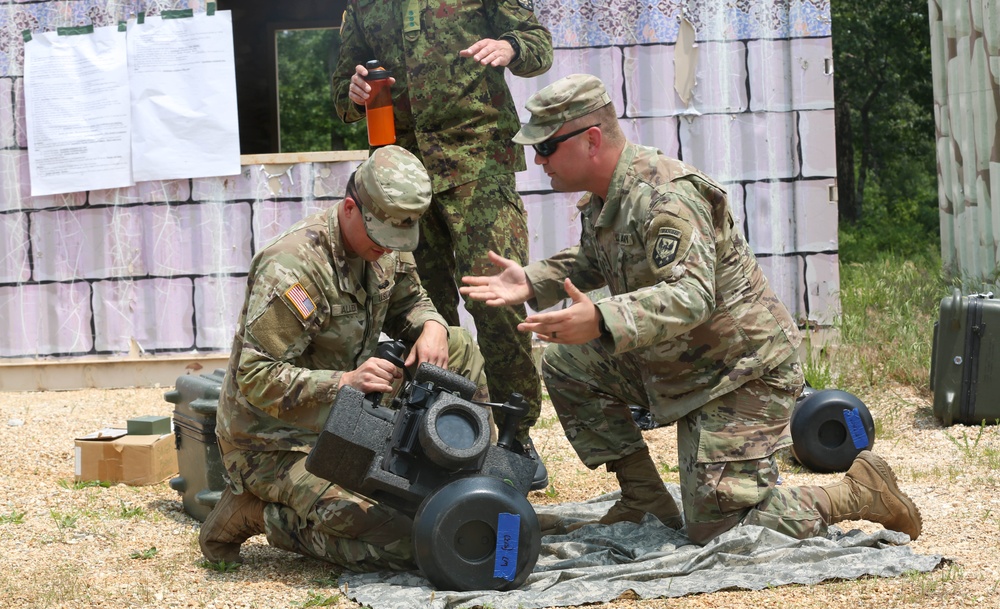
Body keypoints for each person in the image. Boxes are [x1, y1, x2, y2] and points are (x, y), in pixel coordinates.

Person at [460, 74, 922, 545]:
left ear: (591, 140)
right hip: (678, 360)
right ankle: (643, 501)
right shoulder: (607, 197)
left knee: (720, 528)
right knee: (566, 362)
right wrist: (532, 281)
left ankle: (858, 493)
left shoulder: (667, 197)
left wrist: (601, 319)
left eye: (547, 147)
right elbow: (596, 259)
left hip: (742, 372)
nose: (537, 160)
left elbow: (691, 296)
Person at [201, 146, 493, 570]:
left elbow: (411, 300)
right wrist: (343, 383)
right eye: (380, 239)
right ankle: (255, 512)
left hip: (353, 419)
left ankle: (472, 480)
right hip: (276, 442)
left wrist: (431, 324)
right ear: (352, 208)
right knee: (411, 542)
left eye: (398, 240)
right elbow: (255, 376)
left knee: (456, 340)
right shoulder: (295, 270)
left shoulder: (386, 234)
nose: (388, 249)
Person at [331, 0, 552, 487]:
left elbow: (539, 47)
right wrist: (354, 92)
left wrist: (510, 46)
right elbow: (343, 95)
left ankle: (517, 432)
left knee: (496, 304)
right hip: (403, 180)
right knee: (423, 309)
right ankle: (443, 432)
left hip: (478, 165)